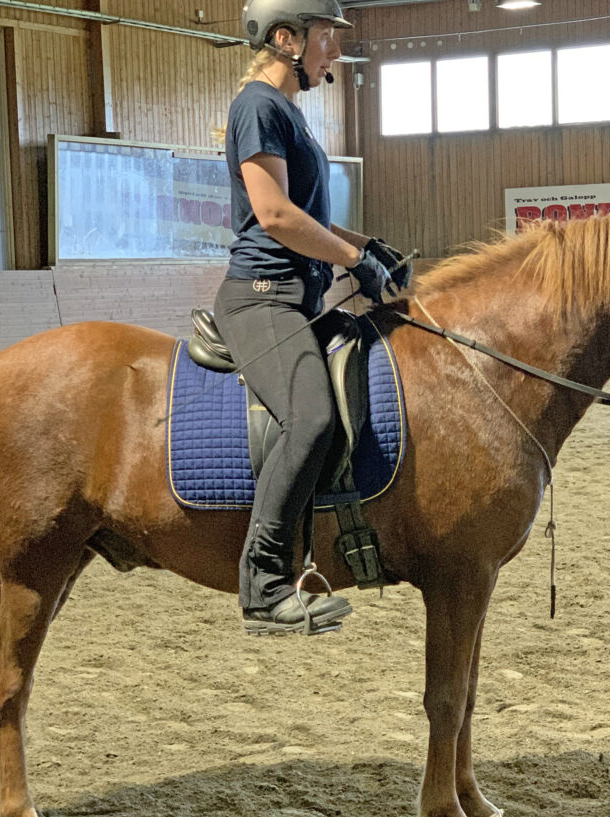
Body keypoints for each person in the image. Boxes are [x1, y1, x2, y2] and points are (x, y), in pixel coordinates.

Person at [214, 0, 412, 635]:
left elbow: (310, 220)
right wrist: (354, 258)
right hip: (261, 297)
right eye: (327, 37)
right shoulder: (258, 107)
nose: (335, 50)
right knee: (312, 417)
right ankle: (264, 582)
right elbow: (273, 215)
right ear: (286, 39)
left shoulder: (287, 112)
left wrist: (367, 248)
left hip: (298, 298)